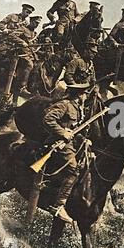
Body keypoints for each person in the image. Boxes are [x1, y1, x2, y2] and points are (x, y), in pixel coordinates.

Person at [43, 83, 95, 223]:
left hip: (70, 143)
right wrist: (62, 132)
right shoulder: (65, 105)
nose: (86, 96)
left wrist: (84, 139)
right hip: (58, 142)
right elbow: (48, 119)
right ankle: (59, 205)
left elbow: (74, 129)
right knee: (73, 170)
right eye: (85, 93)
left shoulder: (78, 108)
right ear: (79, 94)